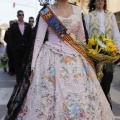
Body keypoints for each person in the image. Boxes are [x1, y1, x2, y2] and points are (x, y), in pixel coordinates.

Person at [5, 0, 114, 119]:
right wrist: (33, 65)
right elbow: (38, 40)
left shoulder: (78, 10)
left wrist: (90, 58)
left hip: (76, 57)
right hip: (50, 57)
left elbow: (82, 39)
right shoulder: (47, 11)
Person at [84, 0, 120, 109]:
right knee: (94, 80)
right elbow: (85, 36)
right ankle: (96, 104)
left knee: (108, 78)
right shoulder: (88, 16)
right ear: (94, 3)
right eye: (98, 0)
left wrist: (118, 50)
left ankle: (104, 102)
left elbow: (115, 33)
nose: (100, 1)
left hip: (109, 53)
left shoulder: (111, 16)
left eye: (102, 0)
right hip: (94, 54)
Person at [8, 10, 31, 84]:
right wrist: (13, 48)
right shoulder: (13, 26)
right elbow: (10, 38)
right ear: (17, 16)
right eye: (20, 15)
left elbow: (30, 37)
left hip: (25, 49)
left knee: (25, 65)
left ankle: (25, 80)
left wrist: (29, 47)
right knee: (17, 66)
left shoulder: (28, 25)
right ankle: (19, 81)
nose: (21, 16)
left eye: (22, 15)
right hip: (16, 50)